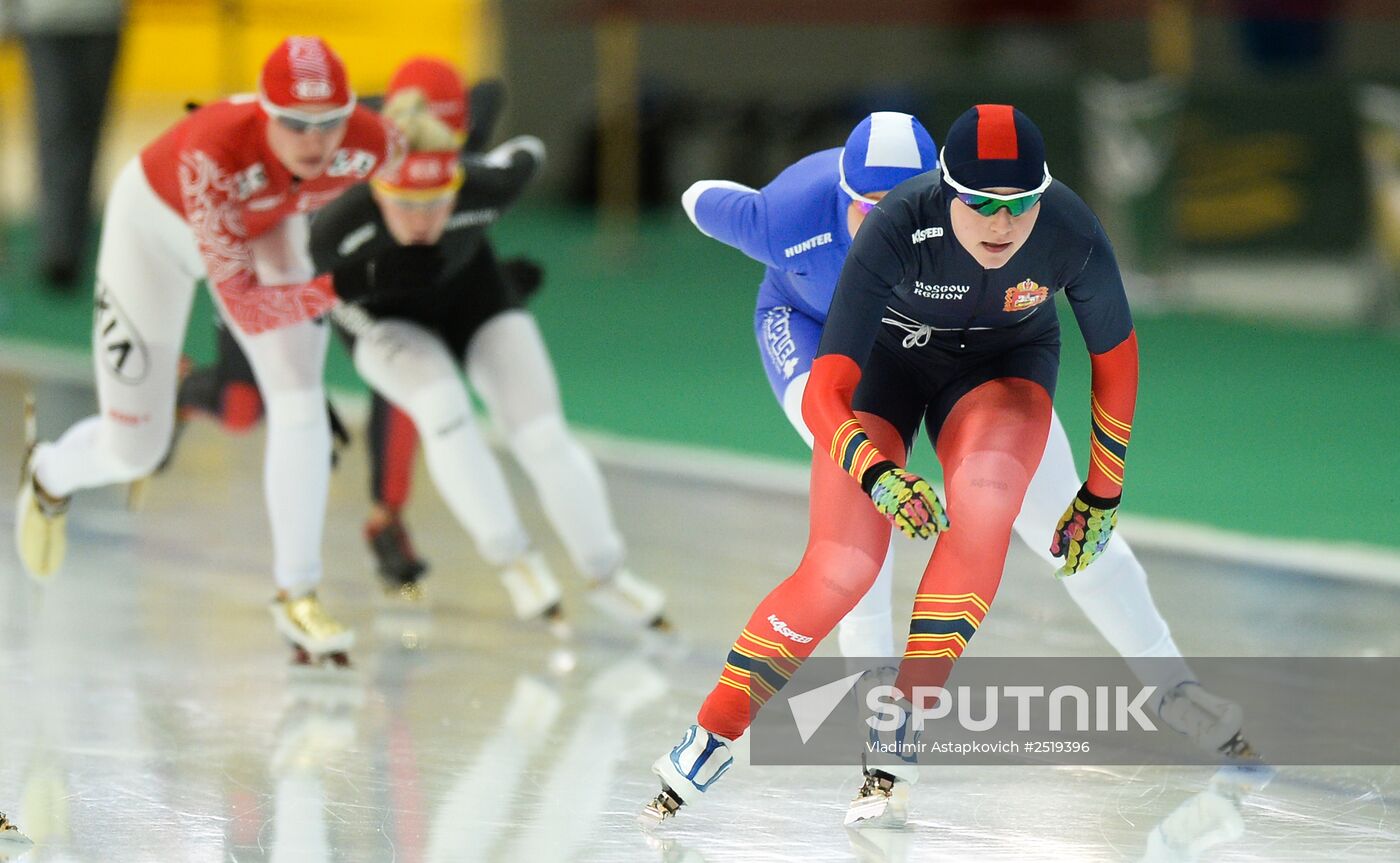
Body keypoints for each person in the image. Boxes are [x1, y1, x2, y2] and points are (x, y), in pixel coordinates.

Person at [645, 105, 1253, 825]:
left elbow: (1115, 359)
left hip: (995, 363)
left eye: (1018, 207)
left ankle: (1161, 684)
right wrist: (877, 474)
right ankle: (742, 726)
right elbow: (825, 390)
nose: (1000, 227)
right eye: (980, 207)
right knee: (845, 559)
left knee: (1008, 508)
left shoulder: (1061, 228)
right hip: (847, 349)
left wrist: (1103, 491)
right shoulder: (824, 220)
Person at [15, 36, 403, 666]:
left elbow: (422, 169)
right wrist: (342, 284)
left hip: (264, 228)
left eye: (330, 122)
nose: (315, 142)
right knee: (134, 448)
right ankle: (50, 474)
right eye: (295, 124)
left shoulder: (370, 140)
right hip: (155, 234)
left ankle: (297, 593)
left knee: (300, 393)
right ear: (264, 113)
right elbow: (247, 305)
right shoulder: (212, 151)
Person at [307, 57, 667, 627]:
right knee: (442, 407)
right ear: (375, 187)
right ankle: (512, 560)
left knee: (544, 435)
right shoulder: (337, 225)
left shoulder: (487, 185)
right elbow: (294, 295)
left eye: (437, 203)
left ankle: (607, 571)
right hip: (383, 320)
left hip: (471, 298)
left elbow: (527, 149)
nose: (421, 222)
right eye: (404, 203)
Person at [9, 0, 124, 290]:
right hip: (45, 20)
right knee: (57, 126)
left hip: (102, 18)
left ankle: (74, 243)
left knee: (90, 130)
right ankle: (58, 247)